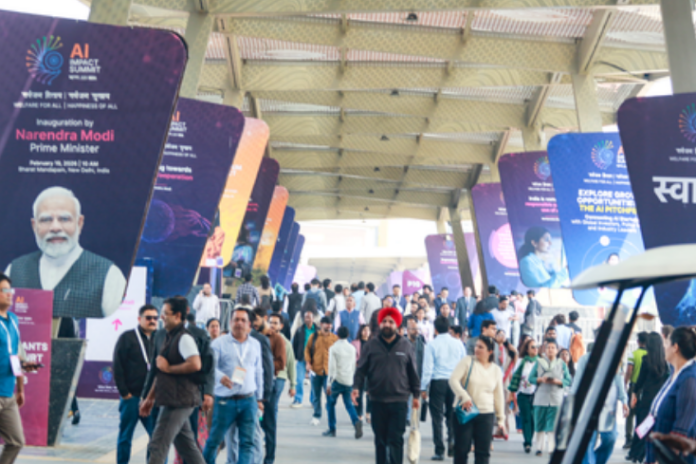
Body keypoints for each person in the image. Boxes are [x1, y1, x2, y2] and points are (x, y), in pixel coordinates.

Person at [6, 186, 127, 318]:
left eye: (64, 219)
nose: (55, 228)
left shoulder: (108, 274)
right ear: (34, 226)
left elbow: (121, 328)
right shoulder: (14, 271)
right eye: (46, 220)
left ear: (79, 223)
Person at [139, 297, 205, 464]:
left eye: (165, 313)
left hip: (178, 401)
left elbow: (195, 364)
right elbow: (161, 372)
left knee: (158, 445)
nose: (161, 317)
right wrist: (150, 397)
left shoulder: (184, 338)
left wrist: (169, 368)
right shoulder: (169, 336)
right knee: (187, 448)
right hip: (173, 399)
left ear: (177, 316)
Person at [352, 308, 420, 464]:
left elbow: (413, 372)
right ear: (380, 324)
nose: (387, 324)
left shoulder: (406, 346)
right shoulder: (371, 345)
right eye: (384, 321)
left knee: (395, 440)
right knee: (380, 440)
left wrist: (416, 395)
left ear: (397, 325)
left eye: (391, 322)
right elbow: (361, 370)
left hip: (399, 401)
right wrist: (356, 388)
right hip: (377, 400)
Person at [202, 308, 264, 464]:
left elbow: (258, 371)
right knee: (214, 441)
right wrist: (220, 377)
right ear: (230, 322)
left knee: (247, 443)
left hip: (248, 400)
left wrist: (259, 398)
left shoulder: (255, 344)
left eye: (243, 320)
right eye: (236, 319)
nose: (239, 323)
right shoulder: (219, 343)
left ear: (249, 325)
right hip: (225, 401)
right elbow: (209, 367)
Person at [449, 335, 506, 464]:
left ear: (490, 351)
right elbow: (453, 380)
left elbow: (499, 396)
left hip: (486, 414)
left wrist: (501, 419)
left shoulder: (496, 370)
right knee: (461, 450)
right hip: (466, 411)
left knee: (483, 452)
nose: (476, 349)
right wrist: (464, 396)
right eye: (476, 346)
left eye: (481, 347)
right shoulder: (467, 361)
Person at [113, 304, 158, 464]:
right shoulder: (127, 338)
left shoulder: (161, 339)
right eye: (148, 317)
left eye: (155, 318)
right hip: (132, 398)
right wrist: (125, 394)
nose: (152, 321)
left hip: (152, 399)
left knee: (156, 438)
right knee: (125, 437)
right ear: (140, 319)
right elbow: (117, 366)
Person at [644, 327, 696, 464]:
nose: (664, 347)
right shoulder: (675, 372)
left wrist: (662, 459)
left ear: (675, 347)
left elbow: (681, 429)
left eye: (666, 343)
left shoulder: (689, 379)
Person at [574, 345, 628, 464]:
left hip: (607, 408)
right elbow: (577, 383)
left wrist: (624, 401)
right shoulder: (585, 360)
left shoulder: (614, 360)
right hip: (588, 407)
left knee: (611, 438)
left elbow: (619, 382)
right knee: (589, 441)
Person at [422, 317, 466, 460]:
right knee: (452, 415)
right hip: (454, 382)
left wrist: (423, 387)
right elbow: (464, 364)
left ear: (435, 329)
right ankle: (452, 441)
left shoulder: (431, 344)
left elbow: (427, 368)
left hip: (437, 382)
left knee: (437, 417)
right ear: (448, 328)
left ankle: (439, 450)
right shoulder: (458, 343)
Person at [626, 332, 669, 463]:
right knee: (655, 427)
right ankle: (648, 454)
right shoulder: (666, 361)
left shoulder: (646, 359)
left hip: (647, 399)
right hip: (660, 400)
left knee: (641, 425)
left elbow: (640, 380)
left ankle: (636, 454)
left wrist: (634, 394)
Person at [252, 308, 286, 464]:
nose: (254, 323)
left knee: (269, 424)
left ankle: (269, 458)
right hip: (253, 386)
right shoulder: (251, 336)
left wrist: (263, 365)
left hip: (269, 386)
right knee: (255, 424)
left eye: (257, 319)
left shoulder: (276, 338)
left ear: (264, 318)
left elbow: (281, 363)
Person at [0, 274, 27, 464]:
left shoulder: (14, 320)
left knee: (16, 441)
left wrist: (21, 388)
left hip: (8, 393)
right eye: (4, 290)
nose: (10, 294)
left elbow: (15, 355)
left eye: (10, 290)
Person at [529, 338, 572, 456]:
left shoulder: (561, 363)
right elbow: (531, 378)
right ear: (545, 350)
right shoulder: (539, 362)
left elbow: (568, 380)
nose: (550, 350)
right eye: (548, 347)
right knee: (539, 424)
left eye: (553, 348)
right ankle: (539, 448)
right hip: (541, 398)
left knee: (552, 425)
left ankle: (551, 448)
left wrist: (558, 382)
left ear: (557, 350)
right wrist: (540, 379)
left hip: (556, 398)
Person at [324, 326, 363, 438]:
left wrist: (329, 384)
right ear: (348, 335)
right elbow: (353, 366)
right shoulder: (352, 348)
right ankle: (356, 421)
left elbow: (332, 367)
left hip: (337, 380)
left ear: (337, 335)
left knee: (330, 404)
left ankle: (332, 429)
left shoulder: (334, 348)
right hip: (348, 380)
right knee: (349, 404)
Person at [508, 338, 540, 454]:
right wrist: (512, 394)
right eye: (532, 347)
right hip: (522, 393)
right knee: (526, 418)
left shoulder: (540, 362)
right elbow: (515, 376)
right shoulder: (521, 361)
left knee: (533, 419)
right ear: (527, 349)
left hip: (537, 394)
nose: (535, 349)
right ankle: (527, 443)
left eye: (536, 347)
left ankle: (529, 438)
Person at [305, 316, 338, 426]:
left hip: (329, 373)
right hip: (316, 371)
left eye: (330, 325)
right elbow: (307, 350)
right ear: (321, 324)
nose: (329, 327)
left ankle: (330, 416)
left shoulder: (334, 338)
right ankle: (316, 415)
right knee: (316, 396)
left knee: (329, 396)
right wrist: (308, 363)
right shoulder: (314, 337)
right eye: (326, 324)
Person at [624, 332, 648, 450]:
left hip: (634, 387)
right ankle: (639, 439)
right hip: (646, 388)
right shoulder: (650, 355)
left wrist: (625, 383)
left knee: (630, 414)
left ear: (638, 342)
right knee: (642, 414)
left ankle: (629, 438)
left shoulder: (633, 354)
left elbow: (629, 370)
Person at [290, 309, 317, 408]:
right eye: (306, 317)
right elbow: (295, 344)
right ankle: (298, 399)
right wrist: (295, 356)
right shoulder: (300, 330)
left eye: (309, 317)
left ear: (313, 319)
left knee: (314, 382)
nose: (307, 319)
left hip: (314, 360)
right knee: (299, 379)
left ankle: (314, 401)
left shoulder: (318, 331)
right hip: (302, 358)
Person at [352, 324, 372, 422]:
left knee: (370, 393)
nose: (366, 332)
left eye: (368, 330)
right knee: (358, 393)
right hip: (359, 370)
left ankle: (368, 413)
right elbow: (351, 355)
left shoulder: (373, 343)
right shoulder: (355, 343)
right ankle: (359, 414)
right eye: (364, 330)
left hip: (370, 371)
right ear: (361, 331)